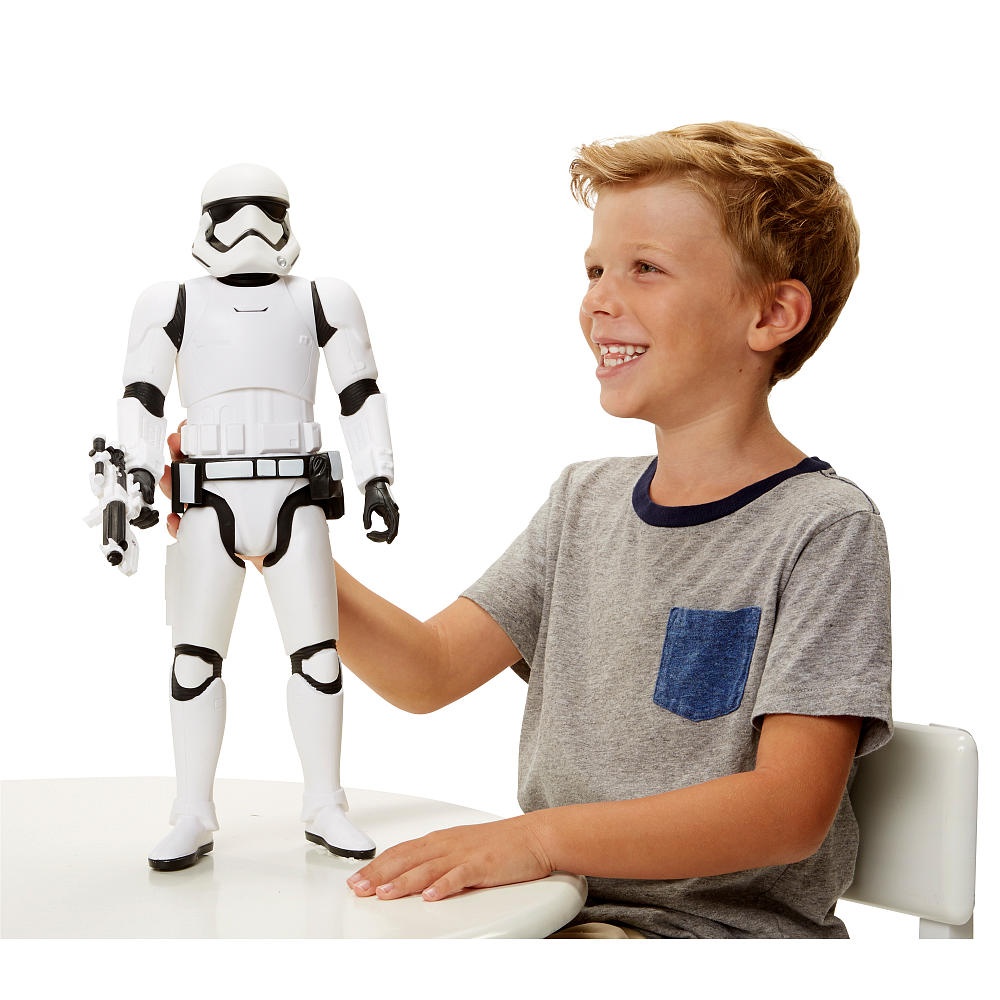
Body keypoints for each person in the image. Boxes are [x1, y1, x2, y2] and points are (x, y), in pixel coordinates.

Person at [168, 123, 892, 937]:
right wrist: (273, 533)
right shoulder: (584, 502)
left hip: (711, 939)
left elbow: (788, 810)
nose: (599, 300)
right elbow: (429, 671)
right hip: (554, 910)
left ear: (772, 313)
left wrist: (537, 840)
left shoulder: (824, 529)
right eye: (595, 270)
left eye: (645, 269)